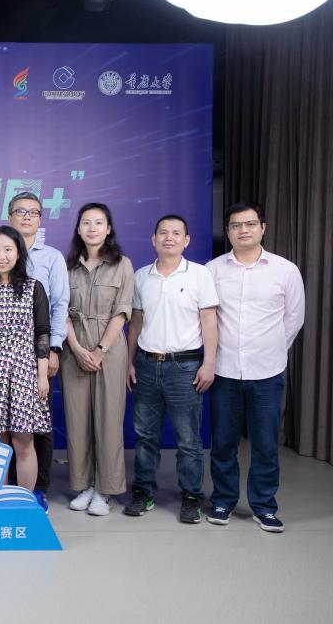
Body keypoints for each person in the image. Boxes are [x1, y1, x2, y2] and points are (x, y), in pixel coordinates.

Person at [205, 202, 305, 533]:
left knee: (265, 444)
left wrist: (271, 349)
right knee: (223, 443)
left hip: (267, 372)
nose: (243, 230)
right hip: (225, 371)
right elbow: (206, 318)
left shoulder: (285, 270)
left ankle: (264, 506)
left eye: (250, 224)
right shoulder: (213, 270)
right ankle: (223, 500)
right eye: (236, 225)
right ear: (228, 231)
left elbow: (294, 318)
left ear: (263, 227)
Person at [125, 215, 218, 524]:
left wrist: (209, 363)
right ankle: (143, 492)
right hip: (147, 364)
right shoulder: (142, 276)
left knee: (188, 439)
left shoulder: (200, 275)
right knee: (145, 435)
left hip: (185, 366)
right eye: (163, 232)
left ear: (186, 240)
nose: (169, 237)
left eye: (176, 233)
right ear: (153, 239)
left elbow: (209, 322)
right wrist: (128, 362)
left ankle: (192, 496)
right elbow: (135, 323)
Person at [58, 203, 134, 516]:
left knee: (108, 419)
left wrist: (100, 350)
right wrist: (77, 348)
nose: (92, 228)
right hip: (74, 347)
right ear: (78, 229)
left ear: (108, 229)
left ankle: (105, 489)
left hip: (110, 349)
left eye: (99, 222)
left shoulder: (122, 264)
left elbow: (122, 311)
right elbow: (61, 310)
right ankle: (84, 485)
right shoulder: (67, 267)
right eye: (86, 222)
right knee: (78, 420)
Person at [0, 226, 51, 492]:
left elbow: (42, 334)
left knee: (23, 441)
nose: (1, 256)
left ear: (19, 253)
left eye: (7, 249)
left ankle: (25, 501)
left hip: (23, 370)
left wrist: (42, 376)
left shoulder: (33, 288)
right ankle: (0, 500)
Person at [7, 192, 70, 510]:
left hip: (39, 351)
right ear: (10, 217)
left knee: (38, 422)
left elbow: (60, 303)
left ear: (41, 219)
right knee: (4, 423)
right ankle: (6, 487)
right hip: (2, 353)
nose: (26, 217)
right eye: (20, 211)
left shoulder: (52, 257)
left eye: (33, 212)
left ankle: (38, 488)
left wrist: (53, 348)